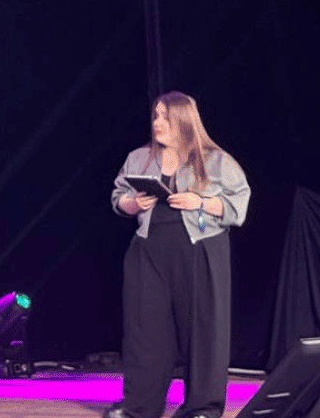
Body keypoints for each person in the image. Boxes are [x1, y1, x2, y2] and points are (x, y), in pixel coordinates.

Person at [105, 91, 250, 418]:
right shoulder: (139, 158)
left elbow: (239, 203)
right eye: (155, 116)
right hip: (148, 252)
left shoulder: (215, 160)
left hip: (200, 251)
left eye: (165, 117)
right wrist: (131, 204)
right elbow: (119, 196)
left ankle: (202, 409)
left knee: (203, 331)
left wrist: (202, 202)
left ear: (183, 121)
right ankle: (139, 407)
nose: (157, 122)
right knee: (145, 332)